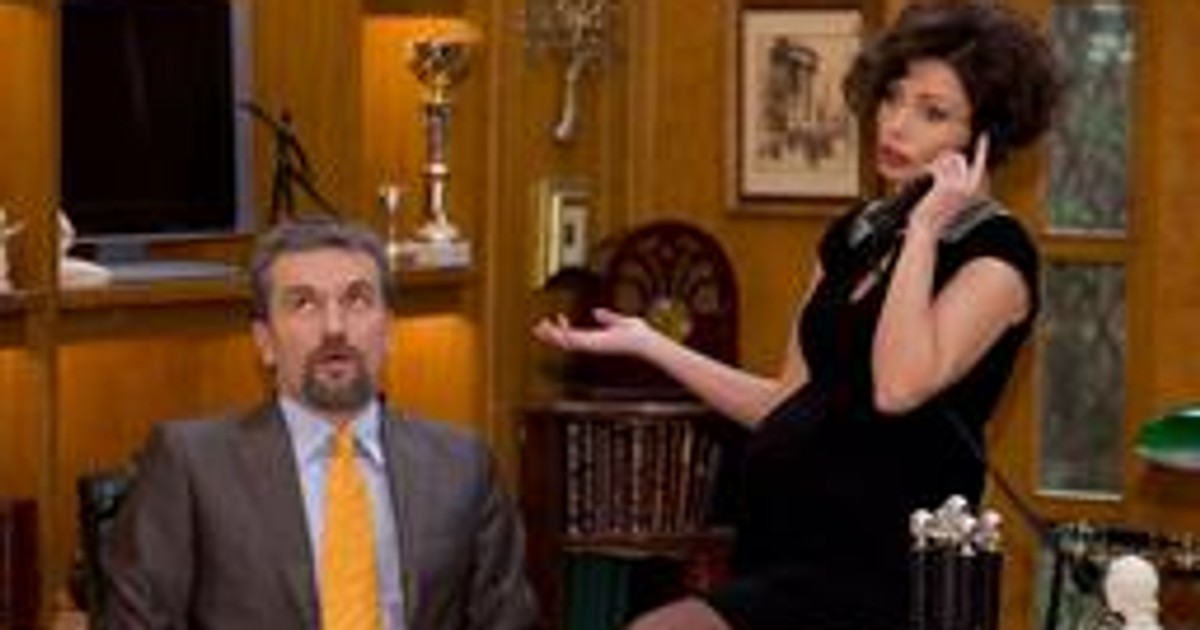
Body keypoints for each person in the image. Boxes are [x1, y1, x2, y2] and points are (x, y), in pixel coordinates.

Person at [533, 1, 1062, 628]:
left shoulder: (997, 255)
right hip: (781, 549)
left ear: (984, 138)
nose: (895, 124)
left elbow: (898, 387)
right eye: (893, 98)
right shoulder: (856, 234)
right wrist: (652, 345)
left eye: (932, 112)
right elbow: (788, 402)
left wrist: (922, 233)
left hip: (882, 574)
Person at [104, 216, 537, 629]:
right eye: (304, 304)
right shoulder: (192, 465)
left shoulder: (462, 465)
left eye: (357, 300)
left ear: (388, 331)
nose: (334, 328)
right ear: (265, 341)